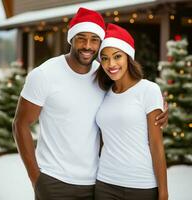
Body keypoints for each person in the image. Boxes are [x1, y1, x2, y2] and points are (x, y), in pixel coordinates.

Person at [12, 7, 168, 200]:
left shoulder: (103, 75)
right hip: (54, 182)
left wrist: (158, 112)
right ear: (71, 39)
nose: (88, 45)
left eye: (95, 40)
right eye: (81, 38)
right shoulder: (44, 74)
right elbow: (20, 124)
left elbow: (129, 98)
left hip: (96, 184)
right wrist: (36, 179)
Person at [95, 23, 168, 200]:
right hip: (105, 183)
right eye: (104, 58)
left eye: (117, 56)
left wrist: (164, 192)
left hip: (141, 185)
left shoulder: (148, 90)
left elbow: (157, 145)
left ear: (128, 57)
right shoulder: (103, 93)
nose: (110, 64)